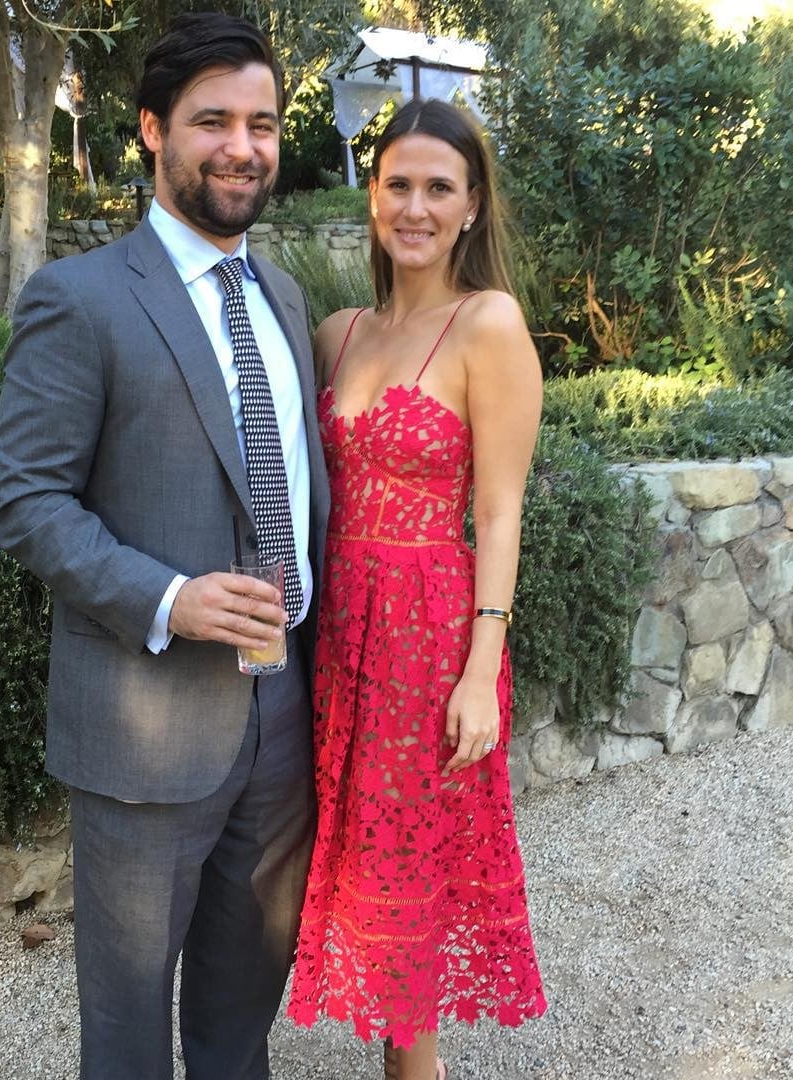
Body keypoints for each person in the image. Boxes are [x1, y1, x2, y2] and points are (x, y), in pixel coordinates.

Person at [0, 13, 329, 1080]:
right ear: (151, 131)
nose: (242, 146)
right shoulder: (80, 300)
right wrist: (170, 597)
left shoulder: (284, 294)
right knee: (130, 1040)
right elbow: (23, 499)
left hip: (282, 719)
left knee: (238, 1024)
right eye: (213, 120)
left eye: (263, 123)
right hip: (146, 733)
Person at [286, 99, 548, 1079]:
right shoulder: (336, 332)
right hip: (337, 644)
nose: (417, 205)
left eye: (440, 186)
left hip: (428, 647)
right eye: (399, 182)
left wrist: (481, 668)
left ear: (473, 204)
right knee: (357, 883)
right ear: (372, 193)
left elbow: (502, 511)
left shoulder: (487, 323)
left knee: (406, 913)